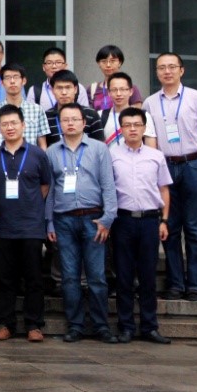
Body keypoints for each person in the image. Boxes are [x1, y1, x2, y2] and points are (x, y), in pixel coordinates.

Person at [144, 52, 197, 302]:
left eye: (172, 67)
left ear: (181, 70)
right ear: (157, 72)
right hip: (165, 166)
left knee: (194, 227)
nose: (167, 71)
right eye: (162, 67)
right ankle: (175, 283)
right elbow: (150, 137)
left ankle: (194, 284)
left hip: (192, 164)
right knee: (170, 227)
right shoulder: (150, 103)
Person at [47, 104, 119, 343]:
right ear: (59, 124)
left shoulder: (99, 148)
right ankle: (75, 325)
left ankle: (101, 326)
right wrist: (49, 223)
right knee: (69, 276)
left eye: (75, 119)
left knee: (97, 276)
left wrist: (108, 218)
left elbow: (108, 184)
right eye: (65, 120)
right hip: (63, 220)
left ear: (84, 122)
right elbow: (50, 191)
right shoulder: (52, 151)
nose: (70, 123)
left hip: (93, 219)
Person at [0, 104, 55, 342]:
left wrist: (31, 205)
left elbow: (45, 186)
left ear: (23, 125)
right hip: (3, 226)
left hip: (31, 226)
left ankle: (34, 324)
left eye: (14, 123)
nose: (10, 127)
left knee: (33, 278)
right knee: (5, 278)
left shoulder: (38, 154)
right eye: (4, 124)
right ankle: (5, 323)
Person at [110, 107, 173, 344]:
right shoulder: (112, 154)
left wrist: (164, 220)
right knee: (124, 276)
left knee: (148, 276)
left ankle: (149, 327)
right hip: (122, 221)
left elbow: (164, 189)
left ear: (144, 127)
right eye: (128, 125)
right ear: (121, 129)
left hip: (149, 221)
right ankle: (126, 327)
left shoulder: (156, 156)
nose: (133, 129)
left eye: (137, 124)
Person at [0, 64, 51, 149]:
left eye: (16, 77)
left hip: (30, 156)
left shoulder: (37, 110)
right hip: (2, 156)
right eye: (7, 78)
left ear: (24, 81)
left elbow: (42, 145)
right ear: (2, 83)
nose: (12, 81)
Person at [42, 70, 105, 148]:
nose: (64, 92)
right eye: (59, 88)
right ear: (52, 90)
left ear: (75, 89)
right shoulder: (45, 117)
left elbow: (100, 146)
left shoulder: (91, 114)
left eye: (68, 87)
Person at [100, 72, 157, 148]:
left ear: (131, 92)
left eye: (123, 89)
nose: (118, 94)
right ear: (109, 93)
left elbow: (151, 148)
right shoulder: (100, 116)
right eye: (114, 90)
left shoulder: (143, 115)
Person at [89, 44, 143, 110]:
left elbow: (136, 111)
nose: (108, 65)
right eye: (104, 61)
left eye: (113, 61)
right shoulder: (92, 89)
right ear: (98, 64)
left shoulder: (130, 88)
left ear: (120, 63)